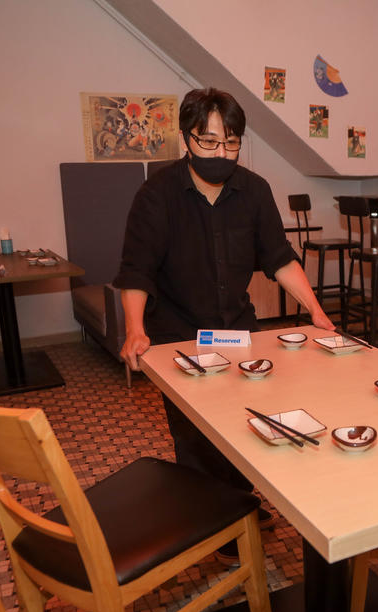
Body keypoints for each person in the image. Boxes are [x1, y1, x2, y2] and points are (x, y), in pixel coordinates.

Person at [114, 88, 334, 511]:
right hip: (177, 335)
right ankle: (212, 523)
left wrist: (316, 309)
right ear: (185, 140)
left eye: (231, 143)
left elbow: (279, 258)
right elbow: (136, 270)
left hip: (237, 330)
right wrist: (135, 329)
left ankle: (237, 509)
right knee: (195, 437)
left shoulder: (254, 191)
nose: (221, 152)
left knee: (245, 424)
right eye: (209, 141)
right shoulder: (157, 195)